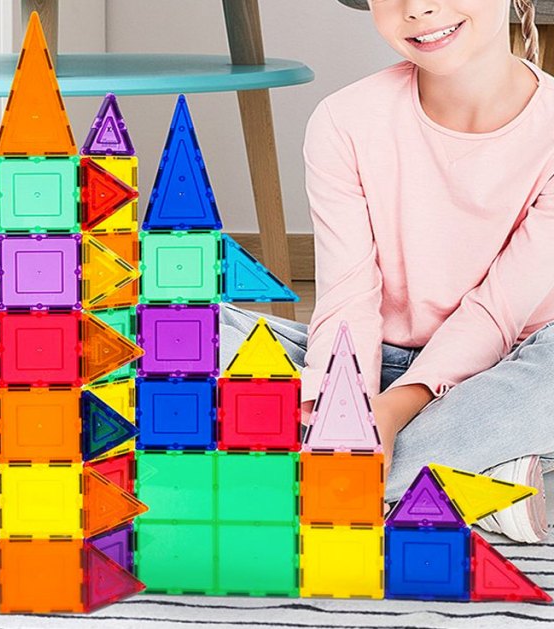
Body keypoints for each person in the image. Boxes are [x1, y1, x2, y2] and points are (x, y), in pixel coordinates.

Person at [219, 0, 554, 543]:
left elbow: (497, 312)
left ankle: (287, 473)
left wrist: (392, 413)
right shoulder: (345, 120)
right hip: (373, 363)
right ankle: (487, 477)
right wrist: (346, 409)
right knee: (161, 332)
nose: (418, 7)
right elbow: (348, 296)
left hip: (509, 363)